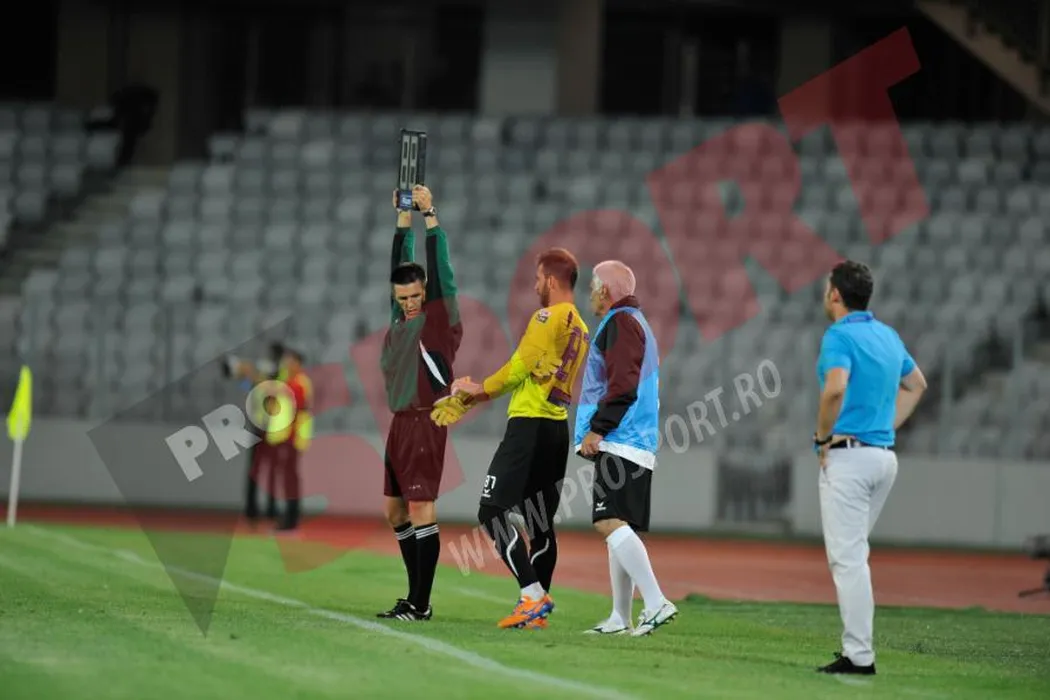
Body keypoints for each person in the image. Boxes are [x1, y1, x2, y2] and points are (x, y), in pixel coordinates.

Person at [434, 248, 589, 630]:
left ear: (550, 280)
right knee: (541, 525)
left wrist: (478, 391)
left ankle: (532, 595)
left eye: (537, 279)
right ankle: (537, 611)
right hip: (556, 428)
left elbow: (519, 367)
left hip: (528, 426)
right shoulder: (581, 327)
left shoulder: (546, 316)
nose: (535, 287)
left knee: (491, 511)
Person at [812, 260, 926, 675]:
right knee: (854, 555)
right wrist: (885, 425)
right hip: (882, 457)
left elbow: (835, 389)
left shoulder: (839, 336)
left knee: (848, 560)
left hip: (850, 458)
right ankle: (857, 647)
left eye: (827, 287)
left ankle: (859, 654)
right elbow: (917, 384)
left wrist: (822, 438)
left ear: (835, 295)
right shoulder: (887, 335)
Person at [574, 260, 678, 637]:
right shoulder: (635, 322)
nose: (590, 293)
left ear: (605, 290)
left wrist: (598, 428)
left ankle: (656, 601)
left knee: (607, 521)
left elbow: (623, 385)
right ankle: (620, 617)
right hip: (634, 439)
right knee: (618, 525)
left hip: (623, 438)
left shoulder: (619, 323)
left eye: (593, 286)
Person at [377, 184, 462, 622]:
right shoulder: (399, 319)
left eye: (414, 296)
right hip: (400, 424)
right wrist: (402, 217)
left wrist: (430, 217)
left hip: (428, 421)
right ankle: (414, 598)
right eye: (402, 298)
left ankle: (421, 603)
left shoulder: (439, 319)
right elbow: (398, 263)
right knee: (394, 511)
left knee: (421, 509)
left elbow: (442, 271)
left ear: (425, 292)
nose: (409, 304)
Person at [241, 346, 313, 532]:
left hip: (292, 437)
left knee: (289, 478)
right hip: (284, 436)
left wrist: (257, 379)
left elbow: (290, 404)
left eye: (290, 361)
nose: (287, 364)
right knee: (286, 478)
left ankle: (291, 518)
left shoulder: (298, 383)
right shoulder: (289, 381)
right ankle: (288, 517)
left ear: (297, 363)